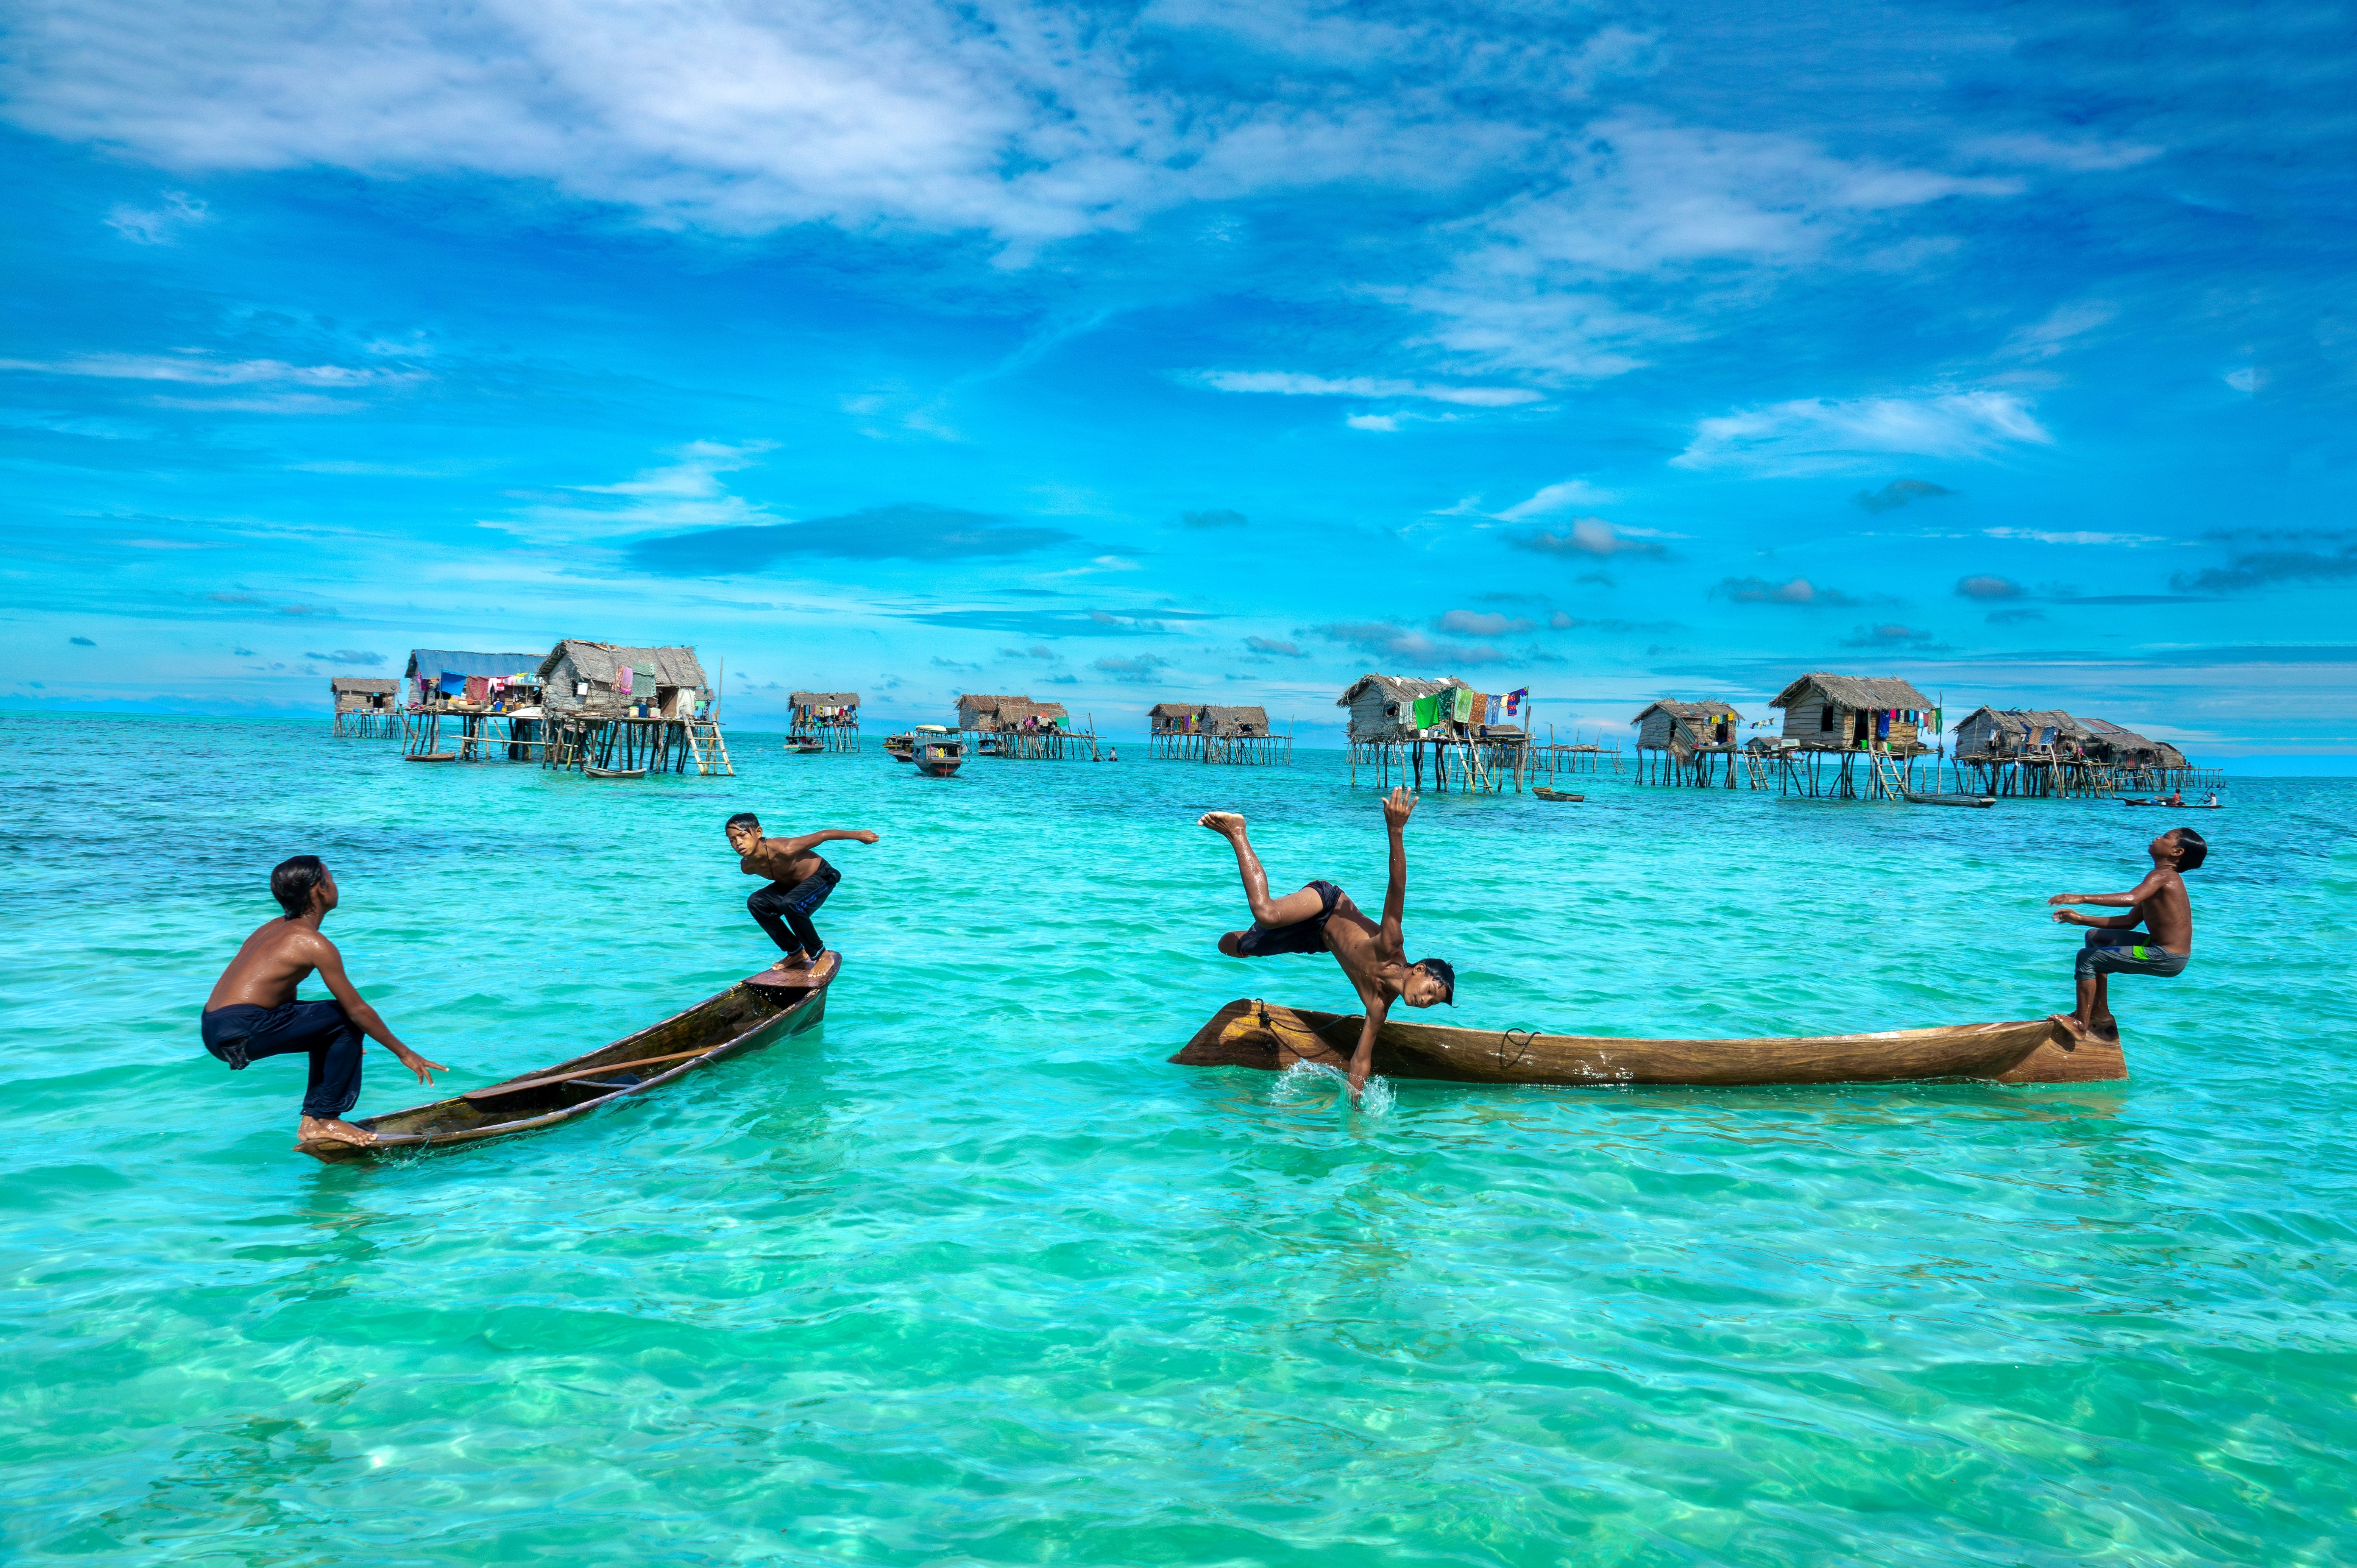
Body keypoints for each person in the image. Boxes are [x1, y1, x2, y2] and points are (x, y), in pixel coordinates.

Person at [1199, 786, 1455, 1099]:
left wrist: (1355, 1106)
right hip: (1328, 904)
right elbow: (1397, 887)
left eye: (1432, 1003)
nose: (1425, 1001)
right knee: (1266, 913)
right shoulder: (1390, 945)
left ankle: (1254, 936)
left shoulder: (1378, 1007)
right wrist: (1396, 830)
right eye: (1430, 991)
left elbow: (1361, 1059)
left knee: (1232, 947)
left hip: (1316, 938)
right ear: (1420, 969)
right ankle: (1237, 831)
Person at [201, 855, 447, 1149]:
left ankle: (313, 1121)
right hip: (244, 1027)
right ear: (319, 888)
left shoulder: (272, 928)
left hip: (215, 1027)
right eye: (331, 879)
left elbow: (281, 996)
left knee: (336, 1024)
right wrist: (405, 1054)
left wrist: (333, 1041)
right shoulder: (312, 942)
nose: (335, 885)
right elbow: (358, 1011)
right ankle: (325, 1119)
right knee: (347, 1016)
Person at [2046, 827, 2207, 1045]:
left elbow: (2132, 898)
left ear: (2177, 852)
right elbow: (2129, 921)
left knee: (2087, 958)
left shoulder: (2163, 876)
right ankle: (2099, 1011)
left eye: (2166, 837)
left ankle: (2080, 1025)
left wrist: (2081, 898)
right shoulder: (2164, 879)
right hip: (2158, 948)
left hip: (2165, 956)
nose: (2157, 837)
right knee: (2096, 937)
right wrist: (2080, 919)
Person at [727, 812, 879, 969]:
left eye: (743, 835)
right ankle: (796, 952)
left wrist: (859, 835)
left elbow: (823, 835)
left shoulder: (784, 848)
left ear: (759, 832)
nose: (738, 843)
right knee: (756, 902)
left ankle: (822, 955)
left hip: (822, 876)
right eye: (732, 839)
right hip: (792, 885)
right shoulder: (748, 867)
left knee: (791, 903)